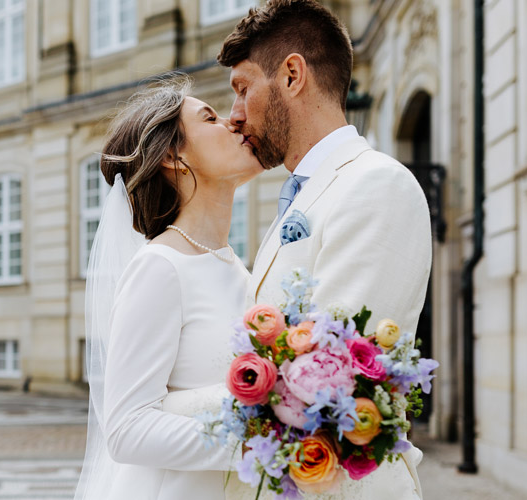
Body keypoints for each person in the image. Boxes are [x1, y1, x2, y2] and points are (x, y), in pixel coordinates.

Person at [219, 0, 432, 498]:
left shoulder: (377, 185)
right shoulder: (299, 196)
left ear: (293, 75)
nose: (234, 115)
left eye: (243, 89)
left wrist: (154, 410)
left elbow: (327, 384)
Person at [73, 75, 265, 500]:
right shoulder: (159, 269)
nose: (234, 122)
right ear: (175, 157)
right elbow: (126, 429)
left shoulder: (236, 266)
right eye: (210, 118)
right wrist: (259, 446)